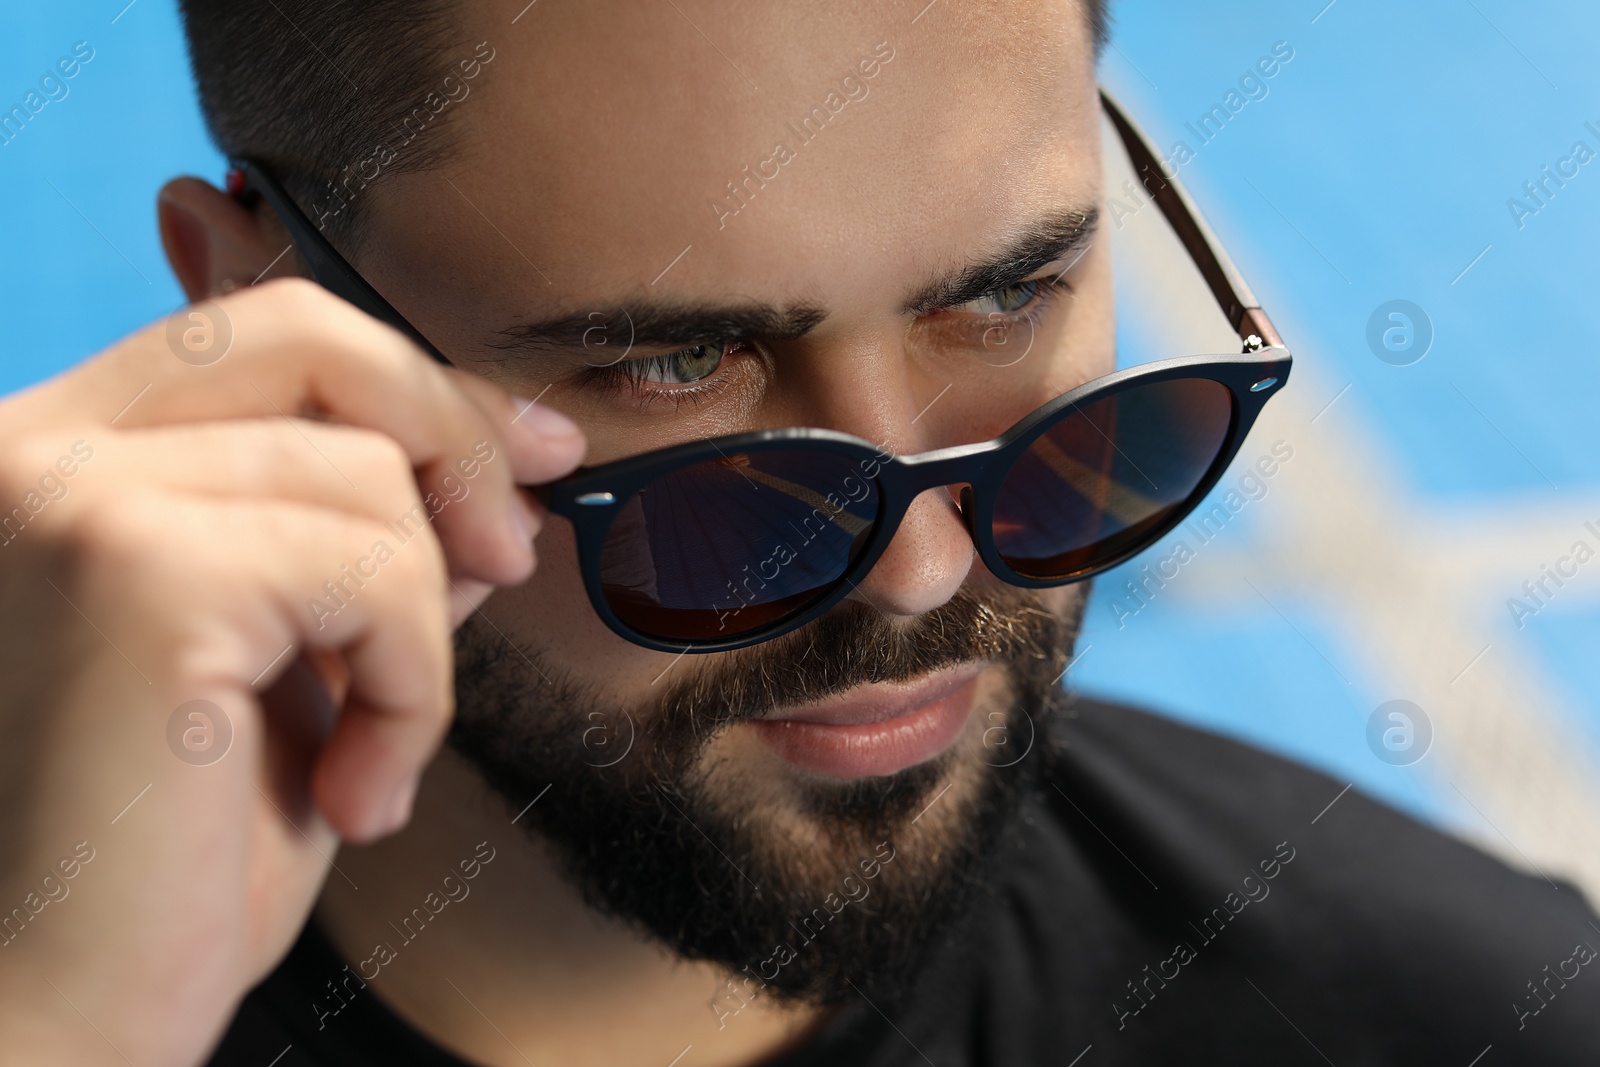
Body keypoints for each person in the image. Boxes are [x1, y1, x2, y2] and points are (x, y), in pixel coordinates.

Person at [0, 1, 1595, 1064]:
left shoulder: (1455, 1015)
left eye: (1005, 294)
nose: (923, 570)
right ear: (242, 308)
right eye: (675, 367)